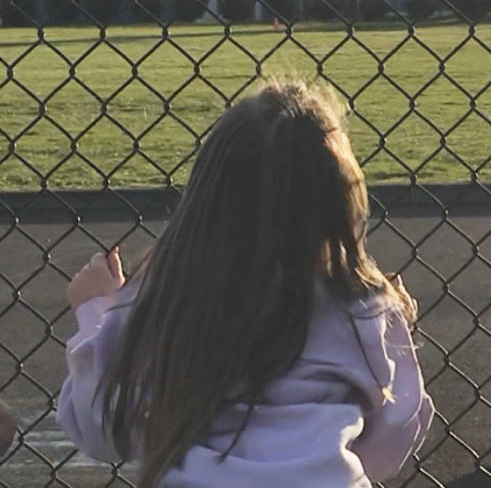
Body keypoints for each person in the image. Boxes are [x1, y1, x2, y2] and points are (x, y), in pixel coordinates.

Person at [57, 80, 433, 488]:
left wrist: (96, 308)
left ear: (205, 198)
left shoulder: (166, 298)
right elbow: (395, 434)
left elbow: (99, 428)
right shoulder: (364, 306)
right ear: (340, 201)